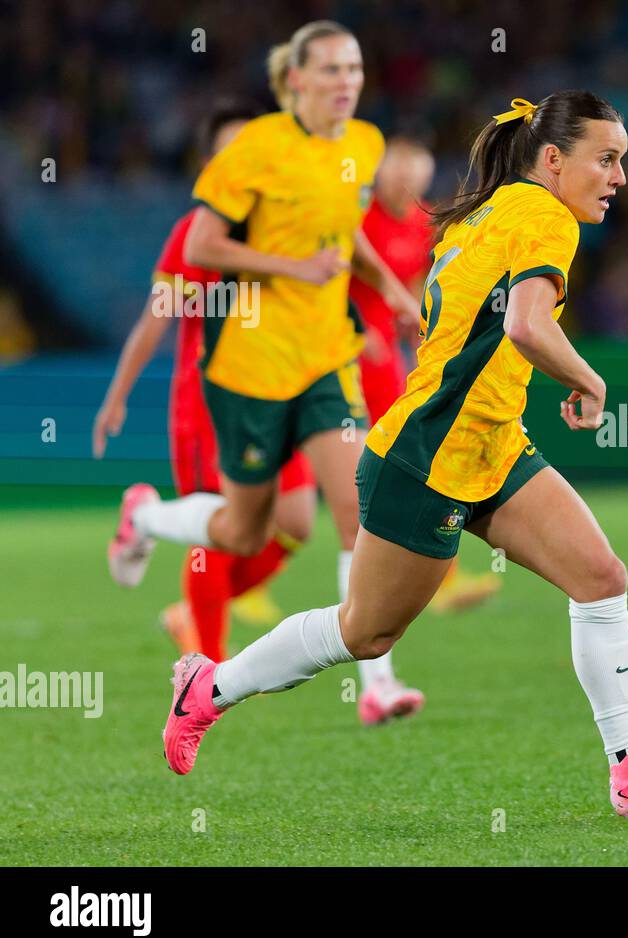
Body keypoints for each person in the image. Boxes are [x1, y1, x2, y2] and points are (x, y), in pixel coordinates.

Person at [160, 90, 628, 817]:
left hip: (491, 444)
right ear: (553, 160)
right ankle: (207, 688)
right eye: (608, 159)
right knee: (363, 632)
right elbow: (527, 326)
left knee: (600, 577)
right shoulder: (545, 217)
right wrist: (589, 379)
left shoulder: (489, 212)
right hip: (428, 458)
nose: (621, 177)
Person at [107, 20, 426, 723]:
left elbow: (343, 234)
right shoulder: (256, 151)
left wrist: (397, 293)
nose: (347, 82)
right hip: (249, 369)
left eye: (356, 68)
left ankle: (377, 684)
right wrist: (292, 268)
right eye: (332, 70)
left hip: (323, 361)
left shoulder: (365, 145)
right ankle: (148, 517)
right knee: (242, 531)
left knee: (355, 509)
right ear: (295, 80)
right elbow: (204, 243)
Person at [93, 99, 315, 663]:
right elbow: (156, 320)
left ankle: (187, 608)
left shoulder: (286, 226)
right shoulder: (195, 233)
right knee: (214, 533)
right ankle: (209, 671)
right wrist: (116, 397)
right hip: (210, 406)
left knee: (295, 520)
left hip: (278, 395)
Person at [348, 136, 500, 613]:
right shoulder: (357, 219)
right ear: (380, 173)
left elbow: (418, 284)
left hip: (387, 349)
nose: (405, 186)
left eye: (415, 179)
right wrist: (352, 327)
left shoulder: (421, 222)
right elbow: (331, 274)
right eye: (398, 176)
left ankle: (437, 576)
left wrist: (424, 342)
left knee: (408, 452)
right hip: (347, 345)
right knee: (401, 454)